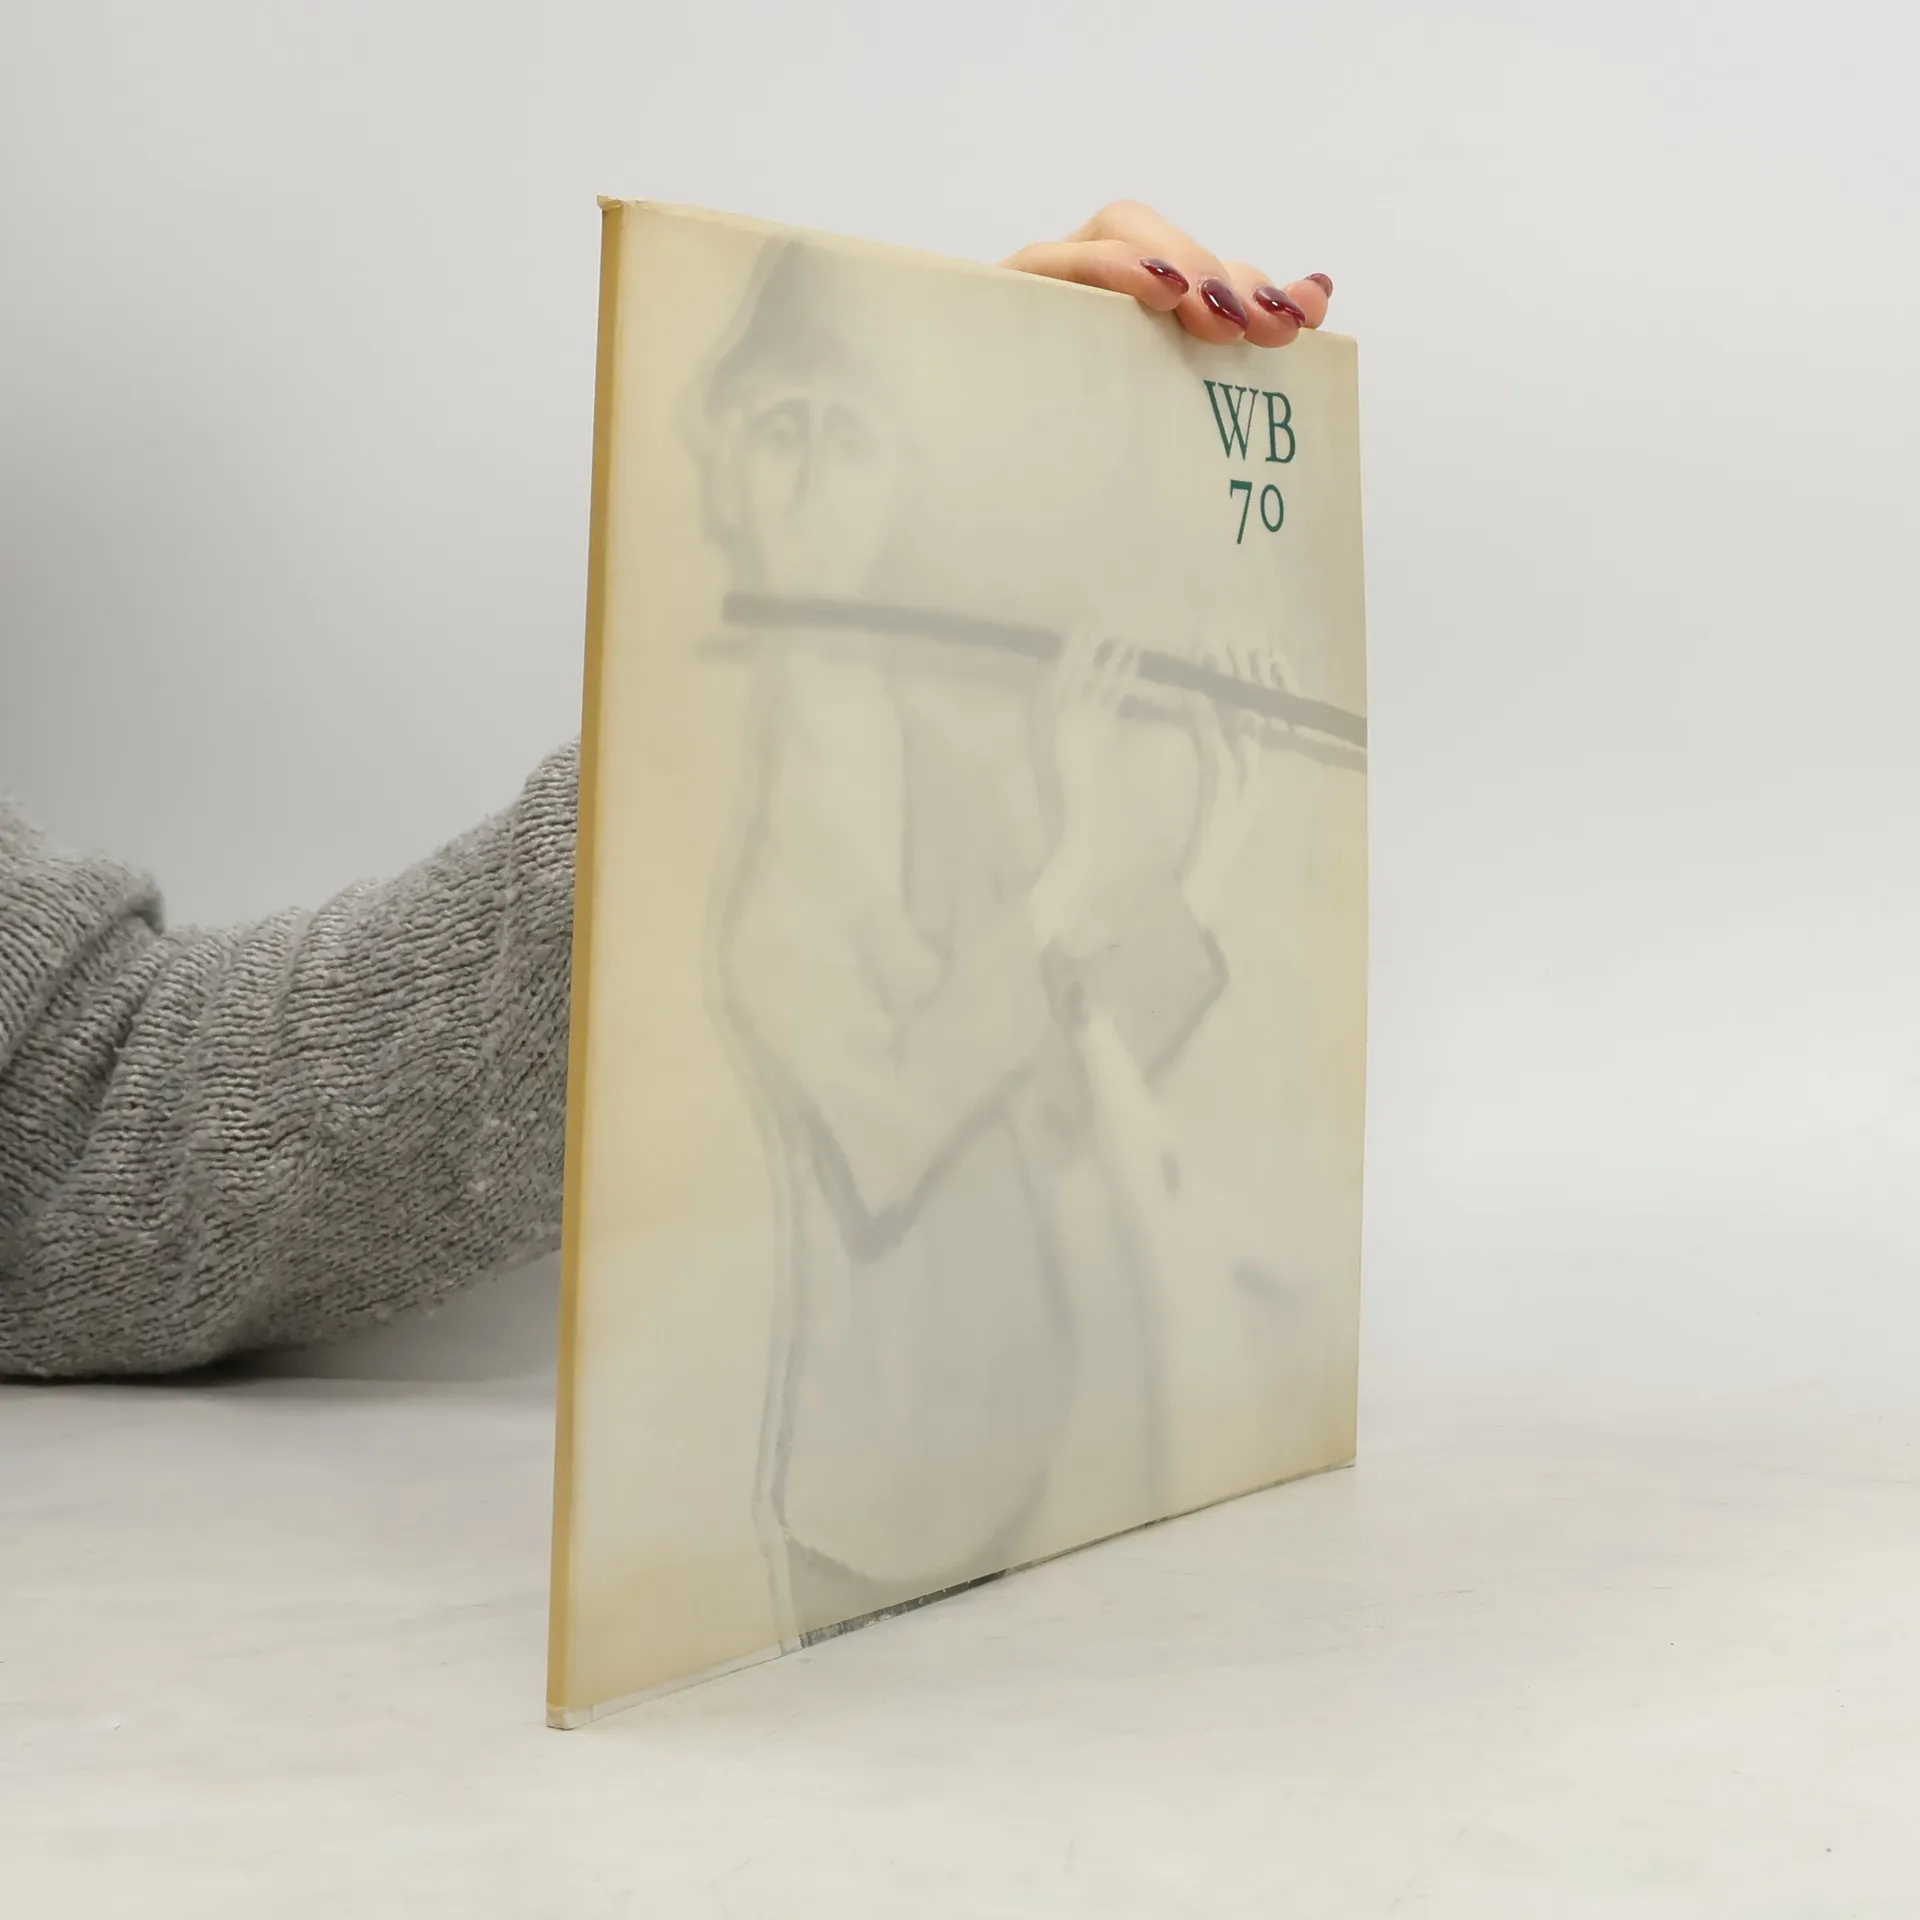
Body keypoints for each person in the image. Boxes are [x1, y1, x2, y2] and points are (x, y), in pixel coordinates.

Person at [0, 201, 1333, 1382]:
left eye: (854, 439)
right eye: (782, 433)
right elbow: (883, 1163)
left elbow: (95, 1106)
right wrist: (1077, 892)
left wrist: (1202, 848)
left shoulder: (968, 746)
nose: (814, 483)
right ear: (722, 478)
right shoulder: (767, 812)